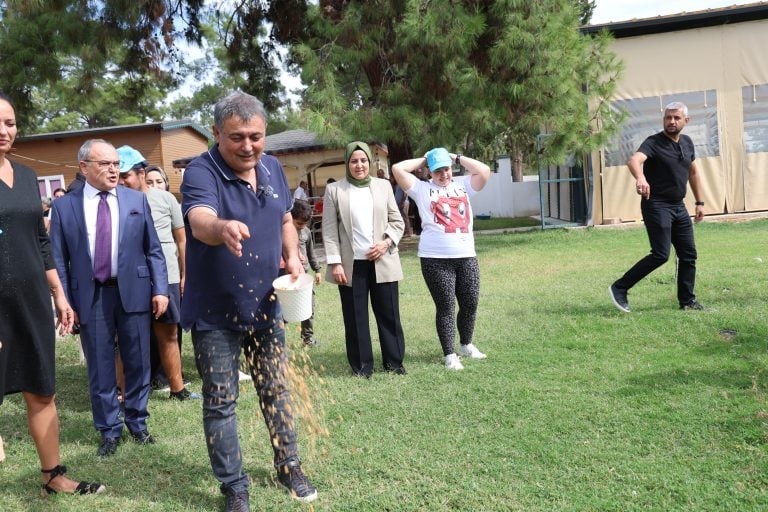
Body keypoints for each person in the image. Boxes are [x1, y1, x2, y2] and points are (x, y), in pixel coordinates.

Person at [181, 91, 317, 510]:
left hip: (266, 304)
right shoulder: (201, 172)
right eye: (237, 137)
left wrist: (292, 255)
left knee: (276, 388)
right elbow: (198, 219)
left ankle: (288, 463)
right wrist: (221, 228)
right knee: (221, 401)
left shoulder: (273, 167)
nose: (248, 146)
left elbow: (283, 219)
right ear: (217, 133)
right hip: (215, 311)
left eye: (255, 136)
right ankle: (234, 487)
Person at [0, 92, 104, 494]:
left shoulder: (26, 177)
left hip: (31, 301)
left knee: (41, 389)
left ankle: (53, 476)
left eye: (9, 123)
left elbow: (40, 242)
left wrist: (59, 295)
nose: (4, 130)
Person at [50, 138, 169, 457]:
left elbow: (153, 249)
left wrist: (160, 289)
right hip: (90, 296)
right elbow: (58, 259)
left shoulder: (135, 200)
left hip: (134, 291)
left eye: (116, 164)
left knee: (138, 360)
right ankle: (108, 430)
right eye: (105, 164)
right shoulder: (65, 206)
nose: (113, 169)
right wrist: (63, 300)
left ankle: (138, 423)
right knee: (100, 366)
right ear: (84, 167)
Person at [391, 148, 491, 371]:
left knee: (470, 303)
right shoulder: (422, 189)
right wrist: (426, 159)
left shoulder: (463, 184)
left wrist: (455, 157)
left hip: (466, 256)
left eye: (446, 169)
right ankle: (449, 353)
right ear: (430, 172)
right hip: (435, 259)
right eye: (437, 170)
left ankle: (466, 344)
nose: (443, 174)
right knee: (445, 306)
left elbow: (484, 170)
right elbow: (397, 169)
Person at [117, 145, 197, 401]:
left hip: (167, 276)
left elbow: (181, 240)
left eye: (125, 175)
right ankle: (121, 391)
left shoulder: (165, 199)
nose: (120, 180)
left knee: (169, 333)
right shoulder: (113, 201)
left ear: (141, 173)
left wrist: (185, 275)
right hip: (130, 279)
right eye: (117, 175)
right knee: (125, 338)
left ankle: (178, 389)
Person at [608, 101, 705, 313]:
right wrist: (641, 178)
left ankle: (687, 301)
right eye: (668, 117)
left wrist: (699, 202)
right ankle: (619, 287)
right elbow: (634, 160)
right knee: (661, 254)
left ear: (686, 121)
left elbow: (693, 172)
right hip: (657, 205)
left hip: (678, 207)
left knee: (689, 254)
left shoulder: (687, 143)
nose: (671, 121)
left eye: (676, 118)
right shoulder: (654, 142)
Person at [322, 141, 406, 377]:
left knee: (389, 314)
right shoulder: (335, 190)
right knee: (355, 318)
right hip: (351, 266)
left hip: (383, 261)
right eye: (353, 161)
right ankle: (361, 366)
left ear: (369, 162)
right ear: (347, 163)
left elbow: (397, 221)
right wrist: (335, 262)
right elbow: (328, 231)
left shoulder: (383, 186)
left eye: (363, 160)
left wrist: (386, 242)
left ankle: (395, 362)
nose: (359, 165)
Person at [291, 199, 323, 346]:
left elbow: (311, 253)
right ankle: (277, 340)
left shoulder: (306, 232)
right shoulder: (280, 231)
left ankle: (307, 338)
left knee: (308, 306)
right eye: (298, 224)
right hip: (286, 276)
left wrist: (317, 269)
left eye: (304, 224)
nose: (302, 227)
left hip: (303, 277)